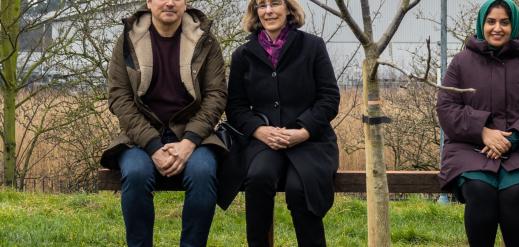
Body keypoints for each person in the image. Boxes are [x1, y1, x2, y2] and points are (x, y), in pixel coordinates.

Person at [99, 0, 227, 246]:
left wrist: (189, 142)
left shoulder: (206, 41)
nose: (169, 3)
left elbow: (216, 96)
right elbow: (119, 97)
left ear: (186, 2)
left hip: (194, 137)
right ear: (149, 2)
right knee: (136, 174)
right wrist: (152, 145)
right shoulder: (127, 40)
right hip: (140, 139)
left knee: (203, 173)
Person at [436, 0, 519, 246]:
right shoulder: (461, 62)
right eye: (491, 21)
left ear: (514, 25)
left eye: (504, 22)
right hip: (470, 149)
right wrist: (482, 132)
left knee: (516, 195)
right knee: (480, 192)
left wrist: (513, 138)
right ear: (482, 24)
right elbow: (447, 107)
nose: (497, 28)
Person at [220, 0, 340, 246]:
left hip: (311, 141)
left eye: (275, 3)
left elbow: (329, 98)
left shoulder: (312, 46)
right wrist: (259, 130)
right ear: (255, 12)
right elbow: (236, 107)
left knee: (300, 189)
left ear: (288, 8)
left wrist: (303, 131)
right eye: (261, 5)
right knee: (258, 178)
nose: (268, 11)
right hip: (264, 142)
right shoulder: (243, 54)